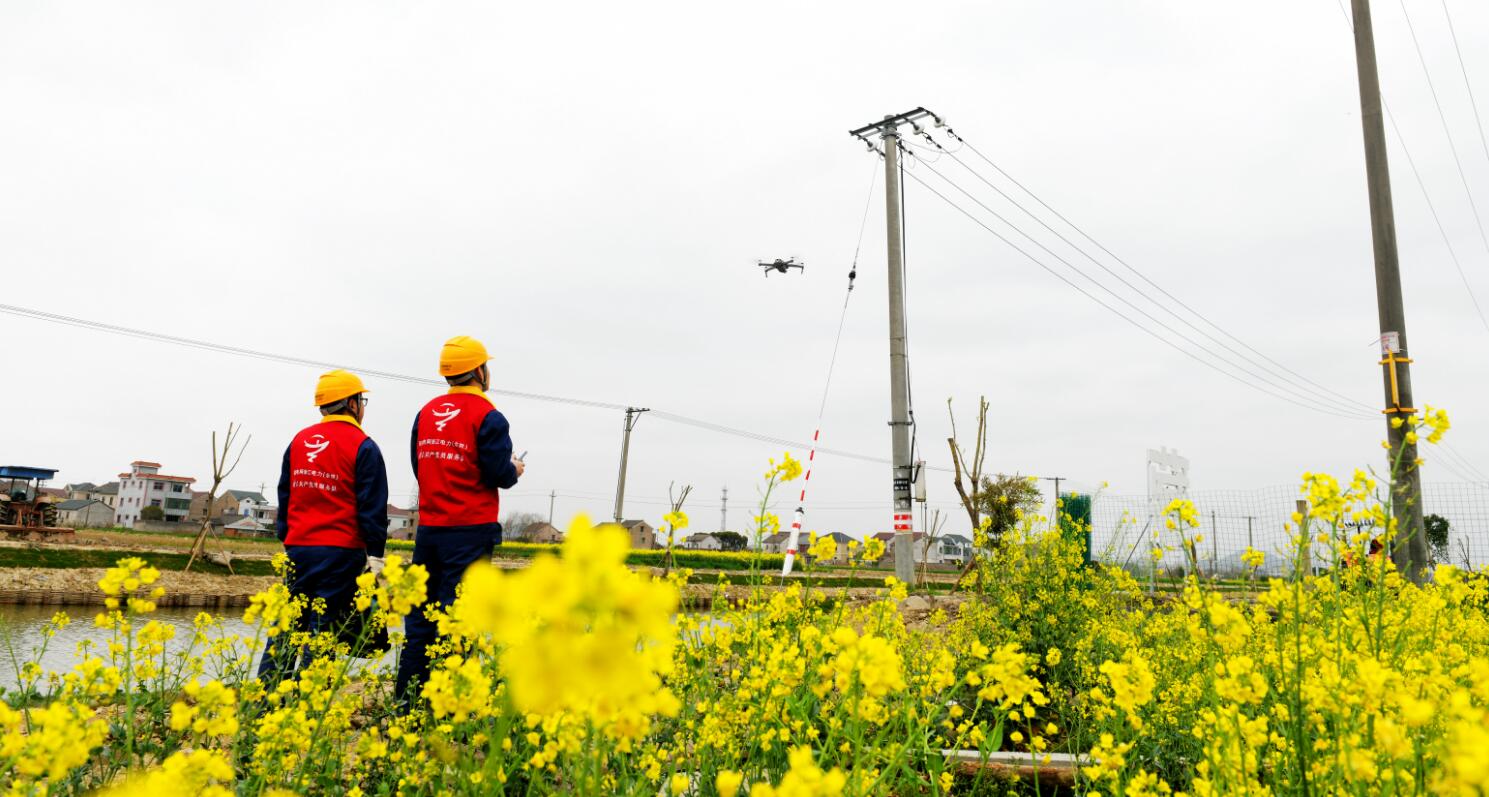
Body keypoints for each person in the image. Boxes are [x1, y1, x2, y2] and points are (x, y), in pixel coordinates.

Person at [395, 335, 524, 705]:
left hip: (431, 530)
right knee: (459, 619)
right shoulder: (489, 416)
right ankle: (450, 708)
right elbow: (498, 472)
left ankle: (408, 702)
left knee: (421, 618)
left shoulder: (426, 413)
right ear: (480, 371)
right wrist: (514, 468)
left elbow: (420, 467)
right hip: (470, 532)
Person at [259, 369, 389, 682]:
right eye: (362, 400)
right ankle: (310, 709)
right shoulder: (364, 446)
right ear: (352, 403)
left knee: (287, 626)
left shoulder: (299, 441)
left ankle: (265, 703)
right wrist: (375, 556)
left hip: (298, 549)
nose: (362, 407)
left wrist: (288, 541)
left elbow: (285, 495)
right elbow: (372, 508)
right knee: (322, 630)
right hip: (340, 553)